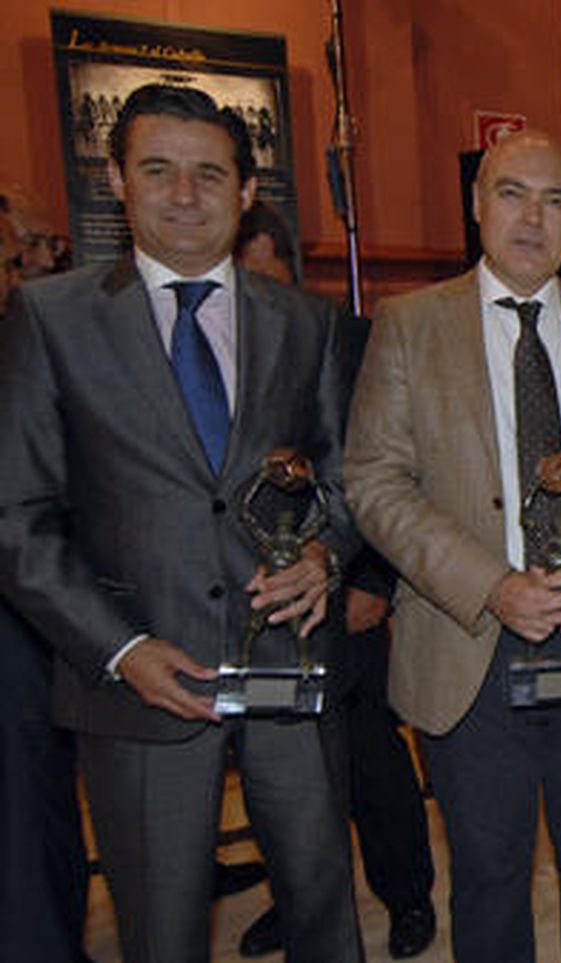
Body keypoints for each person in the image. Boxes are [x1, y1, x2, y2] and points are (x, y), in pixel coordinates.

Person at [0, 84, 361, 962]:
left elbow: (349, 477)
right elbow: (18, 513)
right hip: (137, 681)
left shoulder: (306, 321)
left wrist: (323, 552)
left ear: (245, 193)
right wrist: (119, 648)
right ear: (118, 182)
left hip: (288, 668)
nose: (185, 194)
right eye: (158, 170)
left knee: (323, 908)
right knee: (161, 928)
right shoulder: (52, 317)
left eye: (210, 174)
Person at [344, 129, 561, 961]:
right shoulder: (411, 325)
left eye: (555, 199)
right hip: (469, 643)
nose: (533, 216)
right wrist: (491, 582)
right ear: (476, 204)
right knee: (488, 874)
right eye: (513, 193)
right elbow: (375, 478)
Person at [230, 204, 438, 959]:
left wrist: (373, 579)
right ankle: (299, 900)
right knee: (276, 771)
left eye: (265, 270)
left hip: (344, 589)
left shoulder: (341, 339)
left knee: (372, 759)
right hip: (255, 603)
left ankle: (407, 894)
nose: (254, 287)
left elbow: (382, 466)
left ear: (290, 268)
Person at [0, 195, 89, 963]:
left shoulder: (30, 338)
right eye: (17, 253)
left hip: (35, 627)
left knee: (38, 816)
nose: (29, 265)